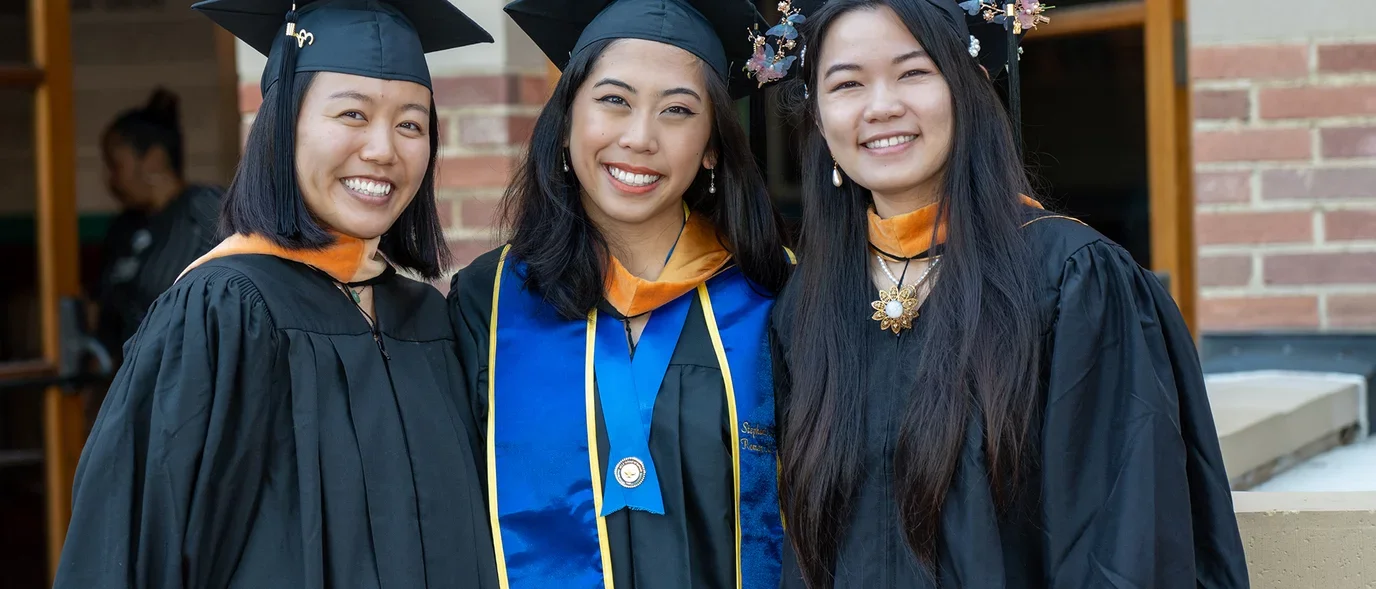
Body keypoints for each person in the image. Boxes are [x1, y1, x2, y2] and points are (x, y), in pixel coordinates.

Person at [770, 1, 1251, 587]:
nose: (881, 106)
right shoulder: (808, 308)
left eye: (914, 72)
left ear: (970, 87)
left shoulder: (1071, 282)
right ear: (819, 118)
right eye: (847, 83)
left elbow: (1123, 544)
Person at [54, 1, 499, 587]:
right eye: (352, 115)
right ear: (282, 126)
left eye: (410, 124)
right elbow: (136, 552)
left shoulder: (427, 320)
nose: (384, 149)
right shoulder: (220, 312)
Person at [448, 0, 795, 586]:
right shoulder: (489, 300)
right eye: (614, 100)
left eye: (678, 111)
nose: (639, 138)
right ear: (566, 122)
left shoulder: (773, 295)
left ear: (712, 145)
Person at [95, 88, 221, 362]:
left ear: (153, 159)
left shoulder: (206, 211)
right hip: (129, 384)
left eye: (115, 165)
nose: (110, 179)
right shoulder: (122, 228)